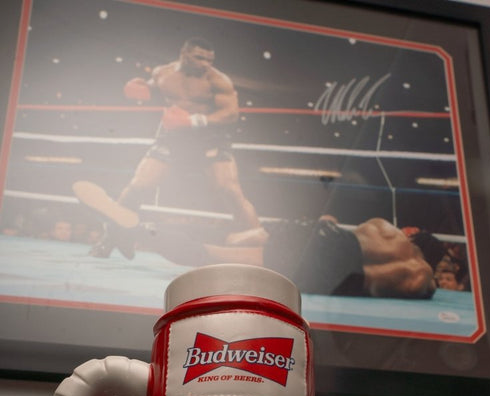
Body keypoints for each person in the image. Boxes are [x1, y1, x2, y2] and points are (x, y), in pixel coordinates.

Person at [73, 176, 439, 300]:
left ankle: (136, 228)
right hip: (330, 270)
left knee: (227, 242)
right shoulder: (420, 279)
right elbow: (367, 288)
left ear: (414, 236)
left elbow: (337, 225)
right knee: (210, 255)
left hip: (321, 240)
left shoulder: (384, 230)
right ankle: (137, 230)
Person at [90, 36, 259, 257]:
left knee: (229, 190)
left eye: (210, 59)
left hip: (210, 137)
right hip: (173, 136)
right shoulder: (163, 73)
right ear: (184, 54)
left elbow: (231, 114)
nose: (206, 64)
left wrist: (194, 120)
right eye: (200, 58)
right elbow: (155, 88)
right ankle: (111, 239)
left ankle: (258, 244)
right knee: (138, 186)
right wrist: (143, 89)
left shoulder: (218, 80)